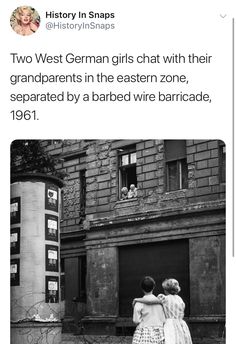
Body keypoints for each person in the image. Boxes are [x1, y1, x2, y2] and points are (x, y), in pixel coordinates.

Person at [133, 278, 193, 344]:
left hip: (170, 324)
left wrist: (137, 299)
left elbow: (150, 301)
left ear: (166, 290)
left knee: (171, 340)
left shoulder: (165, 299)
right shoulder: (180, 299)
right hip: (181, 324)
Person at [132, 276, 165, 344]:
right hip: (159, 332)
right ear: (153, 287)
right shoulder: (160, 302)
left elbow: (136, 320)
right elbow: (163, 319)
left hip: (143, 333)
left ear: (142, 288)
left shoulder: (138, 303)